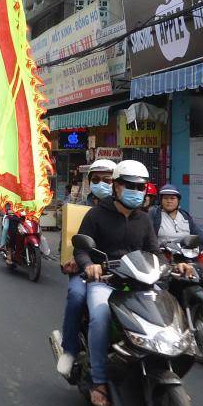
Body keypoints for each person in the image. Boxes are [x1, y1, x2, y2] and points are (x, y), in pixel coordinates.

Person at [74, 160, 188, 406]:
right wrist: (89, 266)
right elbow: (80, 251)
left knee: (169, 314)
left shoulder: (145, 220)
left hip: (140, 283)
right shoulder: (96, 215)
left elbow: (154, 252)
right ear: (115, 186)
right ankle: (99, 380)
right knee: (100, 316)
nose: (136, 191)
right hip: (105, 282)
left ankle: (167, 374)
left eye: (140, 186)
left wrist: (173, 265)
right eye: (129, 185)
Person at [54, 158, 116, 378]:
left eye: (107, 180)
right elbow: (69, 242)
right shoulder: (78, 205)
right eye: (96, 180)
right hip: (85, 269)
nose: (102, 184)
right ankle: (69, 349)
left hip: (119, 272)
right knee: (77, 296)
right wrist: (71, 259)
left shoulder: (129, 209)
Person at [150, 183, 203, 248]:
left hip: (186, 253)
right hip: (163, 254)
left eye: (172, 198)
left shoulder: (185, 215)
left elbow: (195, 230)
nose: (169, 201)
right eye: (165, 198)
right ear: (161, 201)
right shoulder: (155, 214)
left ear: (178, 200)